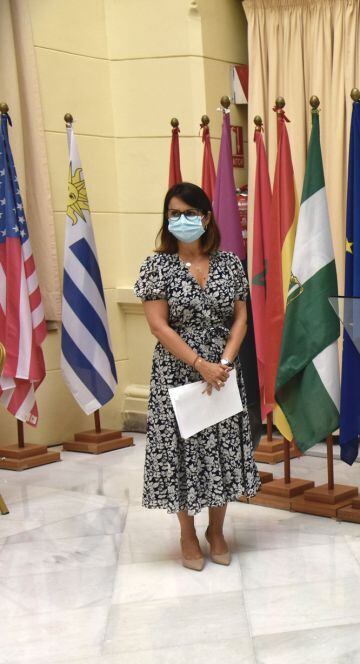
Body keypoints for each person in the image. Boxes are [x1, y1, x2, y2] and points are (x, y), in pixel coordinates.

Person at [134, 182, 261, 571]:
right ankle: (188, 533)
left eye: (190, 213)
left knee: (222, 449)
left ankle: (216, 530)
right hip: (178, 372)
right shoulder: (156, 266)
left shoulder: (229, 263)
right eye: (174, 213)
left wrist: (222, 362)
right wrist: (199, 364)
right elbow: (159, 326)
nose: (182, 220)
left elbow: (240, 317)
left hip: (223, 372)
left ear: (206, 217)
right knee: (183, 453)